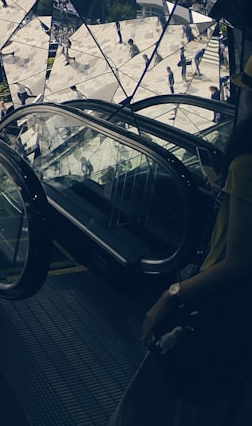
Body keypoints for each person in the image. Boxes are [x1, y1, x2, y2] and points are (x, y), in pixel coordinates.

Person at [107, 55, 252, 425]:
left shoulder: (246, 163)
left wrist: (172, 294)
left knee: (157, 404)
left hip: (219, 303)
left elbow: (238, 260)